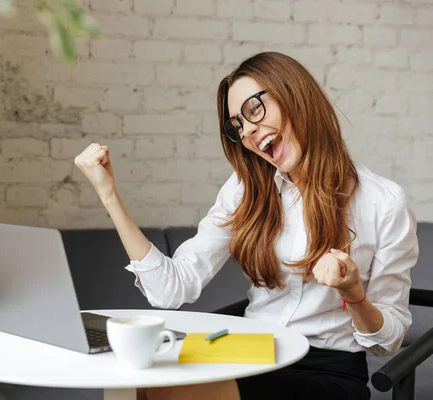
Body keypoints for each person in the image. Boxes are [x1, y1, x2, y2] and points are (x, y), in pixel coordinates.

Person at [73, 51, 419, 400]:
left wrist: (352, 292)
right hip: (250, 351)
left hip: (325, 368)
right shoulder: (246, 189)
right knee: (139, 380)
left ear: (295, 95)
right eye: (238, 124)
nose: (249, 131)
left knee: (174, 392)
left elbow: (387, 343)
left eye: (254, 109)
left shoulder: (384, 203)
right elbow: (171, 288)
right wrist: (109, 195)